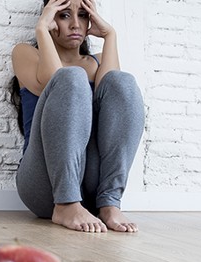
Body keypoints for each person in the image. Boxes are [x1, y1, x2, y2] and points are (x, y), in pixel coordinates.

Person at [9, 0, 145, 233]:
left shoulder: (98, 61)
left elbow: (117, 100)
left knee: (123, 82)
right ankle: (65, 203)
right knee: (71, 77)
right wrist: (42, 28)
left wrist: (110, 35)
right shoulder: (25, 54)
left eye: (82, 15)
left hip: (91, 187)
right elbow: (56, 79)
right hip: (43, 185)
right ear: (50, 17)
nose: (75, 24)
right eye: (63, 16)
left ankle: (110, 202)